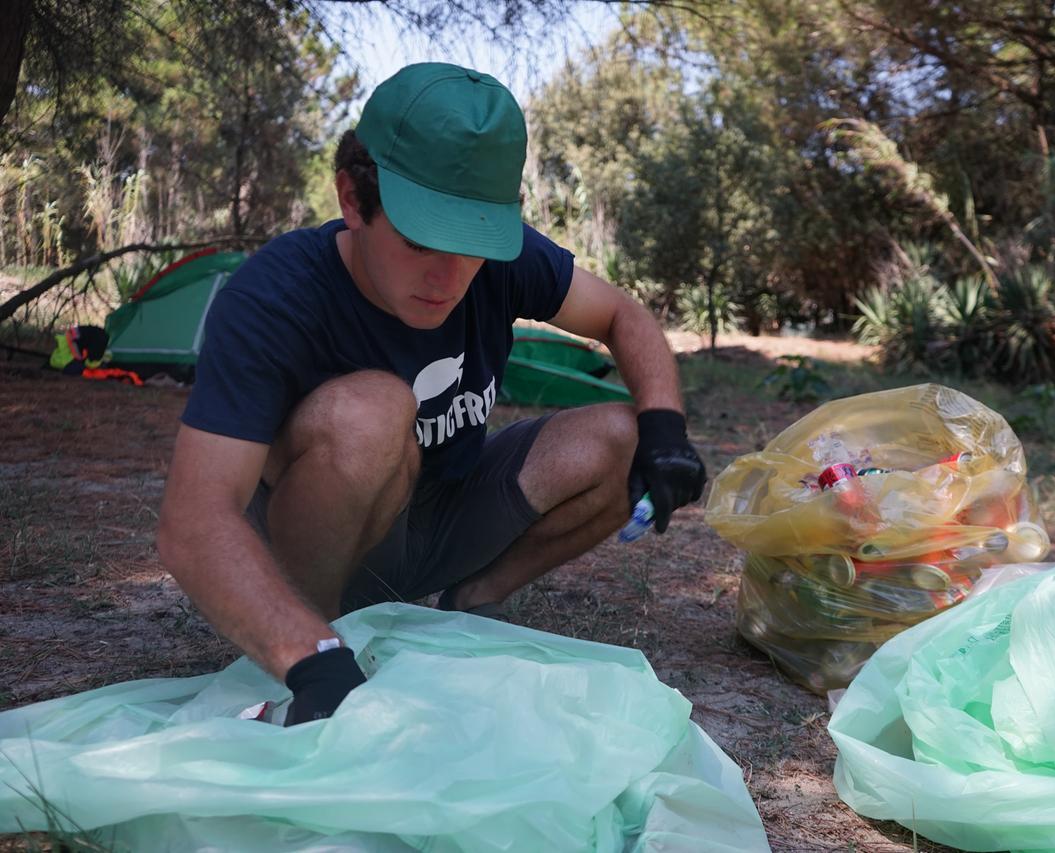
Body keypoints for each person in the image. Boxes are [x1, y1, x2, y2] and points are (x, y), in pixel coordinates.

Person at [155, 63, 706, 726]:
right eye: (419, 240)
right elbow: (194, 521)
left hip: (449, 513)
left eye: (473, 244)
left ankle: (462, 613)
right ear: (353, 199)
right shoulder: (272, 298)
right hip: (329, 549)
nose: (448, 276)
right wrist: (310, 654)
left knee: (629, 432)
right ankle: (321, 649)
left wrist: (667, 430)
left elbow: (624, 315)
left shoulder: (496, 261)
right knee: (372, 412)